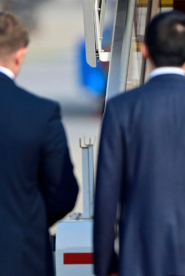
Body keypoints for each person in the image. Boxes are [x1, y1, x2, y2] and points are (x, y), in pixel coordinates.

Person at [93, 11, 185, 276]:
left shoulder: (121, 109)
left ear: (145, 51)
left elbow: (107, 195)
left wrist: (106, 264)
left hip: (141, 258)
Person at [0, 11, 79, 276]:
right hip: (21, 257)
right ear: (20, 54)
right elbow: (64, 192)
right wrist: (28, 221)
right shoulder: (40, 112)